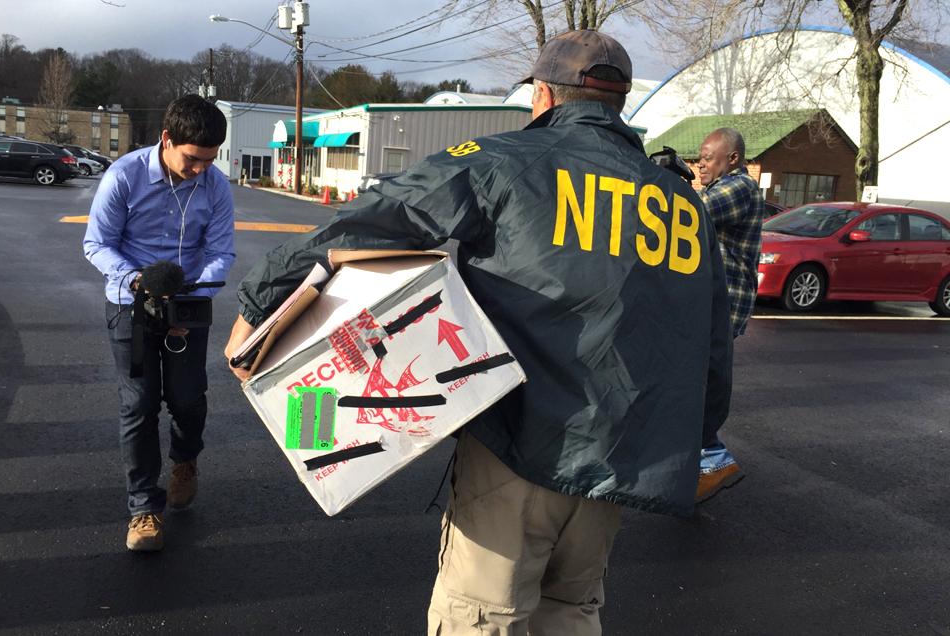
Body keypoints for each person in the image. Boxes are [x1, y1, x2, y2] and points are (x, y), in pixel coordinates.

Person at [225, 30, 732, 634]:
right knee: (572, 609)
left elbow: (377, 218)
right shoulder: (680, 202)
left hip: (525, 439)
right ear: (617, 102)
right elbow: (711, 340)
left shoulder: (506, 163)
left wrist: (261, 306)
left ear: (544, 95)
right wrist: (698, 435)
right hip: (623, 452)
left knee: (483, 615)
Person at [84, 94, 235, 552]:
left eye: (208, 161)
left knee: (188, 399)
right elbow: (96, 244)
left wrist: (191, 296)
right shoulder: (124, 176)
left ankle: (185, 460)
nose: (200, 170)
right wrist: (138, 283)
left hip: (187, 301)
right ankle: (143, 509)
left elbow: (221, 254)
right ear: (167, 139)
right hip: (130, 302)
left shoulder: (215, 185)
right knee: (140, 405)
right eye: (192, 159)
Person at [695, 127, 764, 503]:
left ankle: (712, 457)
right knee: (694, 380)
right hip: (712, 302)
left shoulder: (740, 188)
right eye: (699, 158)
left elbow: (692, 212)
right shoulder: (723, 187)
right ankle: (703, 460)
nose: (700, 164)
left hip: (724, 302)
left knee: (700, 380)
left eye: (708, 157)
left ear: (733, 159)